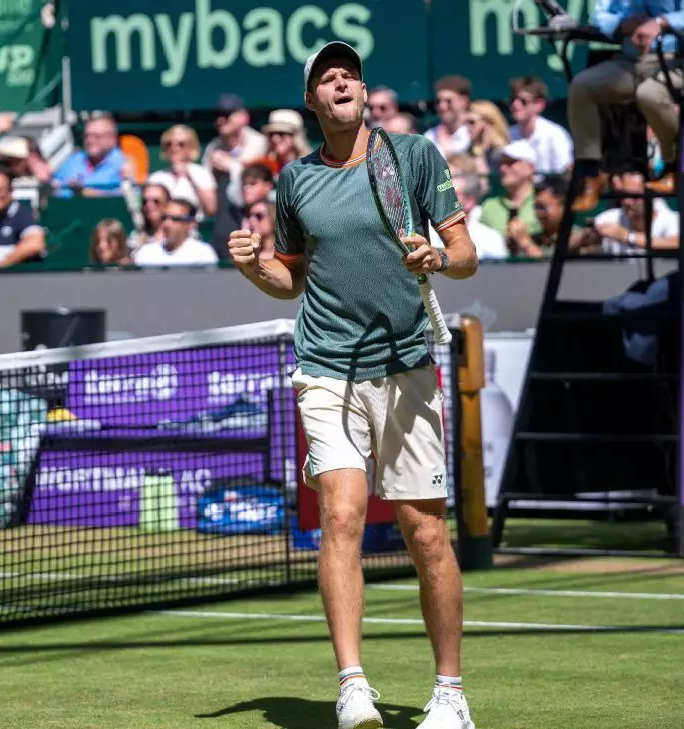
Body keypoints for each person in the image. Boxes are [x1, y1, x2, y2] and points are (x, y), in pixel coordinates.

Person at [227, 41, 478, 729]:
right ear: (313, 103)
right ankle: (352, 684)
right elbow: (291, 280)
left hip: (405, 363)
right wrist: (253, 266)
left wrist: (438, 254)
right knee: (341, 512)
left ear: (363, 93)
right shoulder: (294, 182)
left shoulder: (415, 156)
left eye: (349, 75)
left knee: (426, 531)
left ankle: (450, 694)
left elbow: (465, 255)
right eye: (325, 79)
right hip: (326, 363)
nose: (340, 84)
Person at [567, 0, 684, 211]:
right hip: (631, 62)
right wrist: (622, 24)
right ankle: (592, 175)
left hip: (677, 60)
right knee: (582, 86)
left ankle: (673, 167)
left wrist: (661, 22)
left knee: (649, 94)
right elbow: (599, 16)